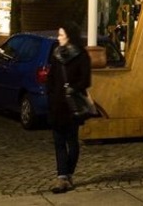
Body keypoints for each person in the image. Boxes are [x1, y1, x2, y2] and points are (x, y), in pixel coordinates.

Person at [46, 22, 91, 194]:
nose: (58, 38)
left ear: (70, 36)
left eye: (61, 35)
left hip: (72, 106)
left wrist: (73, 88)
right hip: (57, 104)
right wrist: (50, 94)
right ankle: (62, 177)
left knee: (71, 141)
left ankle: (67, 174)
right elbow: (51, 77)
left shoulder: (81, 56)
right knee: (58, 142)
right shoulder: (56, 54)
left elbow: (85, 80)